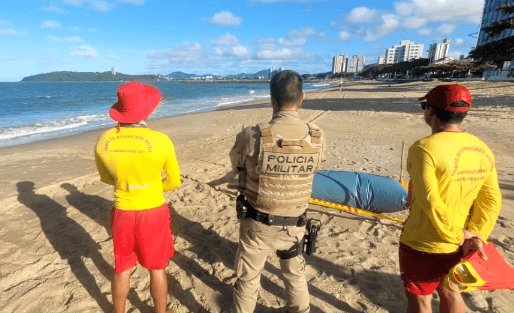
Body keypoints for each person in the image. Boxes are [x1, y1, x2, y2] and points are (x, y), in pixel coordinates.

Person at [229, 70, 327, 313]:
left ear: (271, 99)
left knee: (248, 279)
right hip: (295, 224)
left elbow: (236, 167)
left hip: (258, 223)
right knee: (295, 276)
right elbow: (317, 165)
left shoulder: (252, 134)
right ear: (302, 98)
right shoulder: (317, 135)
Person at [399, 84, 502, 313]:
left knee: (420, 298)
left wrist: (456, 236)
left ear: (431, 112)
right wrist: (475, 236)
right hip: (463, 242)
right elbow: (491, 199)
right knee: (451, 291)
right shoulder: (481, 148)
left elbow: (430, 201)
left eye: (425, 106)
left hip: (423, 242)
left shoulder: (424, 148)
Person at [94, 81, 181, 313]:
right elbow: (174, 181)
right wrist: (150, 187)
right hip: (152, 211)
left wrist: (129, 185)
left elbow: (106, 178)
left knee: (122, 267)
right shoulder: (160, 140)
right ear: (146, 110)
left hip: (122, 210)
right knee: (157, 267)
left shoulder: (104, 140)